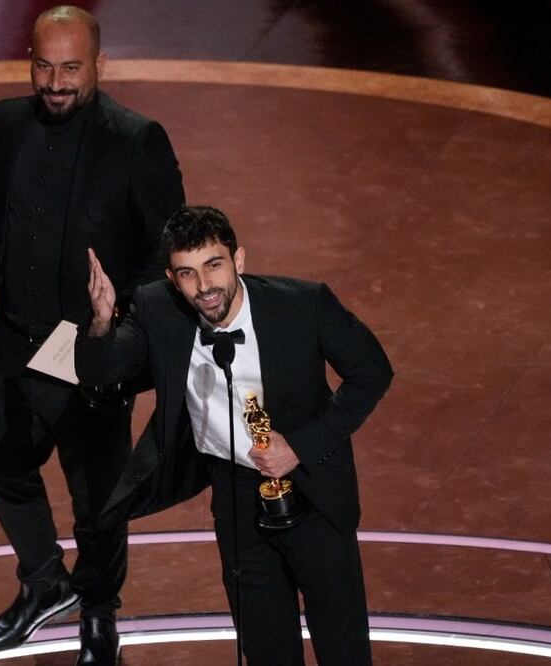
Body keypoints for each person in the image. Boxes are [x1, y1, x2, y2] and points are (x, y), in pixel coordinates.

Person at [0, 5, 184, 664]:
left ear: (99, 64)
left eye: (70, 67)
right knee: (0, 461)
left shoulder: (137, 140)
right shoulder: (7, 122)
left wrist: (117, 323)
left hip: (91, 344)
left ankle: (99, 616)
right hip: (16, 335)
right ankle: (45, 582)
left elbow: (168, 253)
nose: (55, 82)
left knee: (97, 498)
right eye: (43, 66)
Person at [77, 206, 393, 665]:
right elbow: (102, 371)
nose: (204, 286)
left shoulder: (303, 305)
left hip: (313, 488)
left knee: (342, 645)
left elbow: (372, 370)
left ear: (238, 260)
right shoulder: (159, 310)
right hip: (236, 496)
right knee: (265, 646)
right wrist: (102, 321)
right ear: (172, 277)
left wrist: (300, 446)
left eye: (214, 265)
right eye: (187, 273)